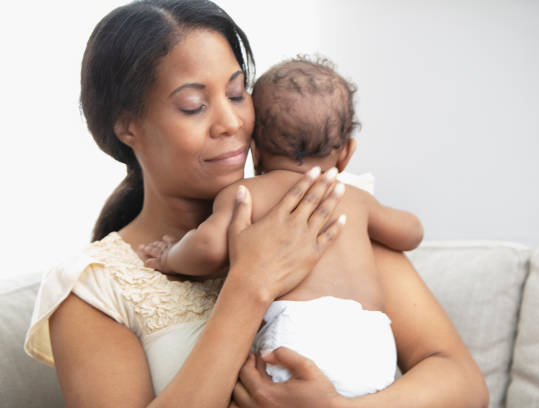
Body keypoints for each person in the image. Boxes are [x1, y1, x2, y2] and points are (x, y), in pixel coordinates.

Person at [24, 1, 489, 407]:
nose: (230, 122)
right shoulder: (92, 288)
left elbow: (462, 383)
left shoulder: (321, 206)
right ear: (129, 127)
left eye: (235, 93)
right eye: (192, 105)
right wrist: (251, 283)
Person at [139, 56, 424, 397]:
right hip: (371, 349)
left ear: (254, 152)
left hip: (298, 339)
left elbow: (210, 248)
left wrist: (170, 256)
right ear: (346, 153)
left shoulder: (246, 195)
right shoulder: (355, 199)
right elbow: (410, 233)